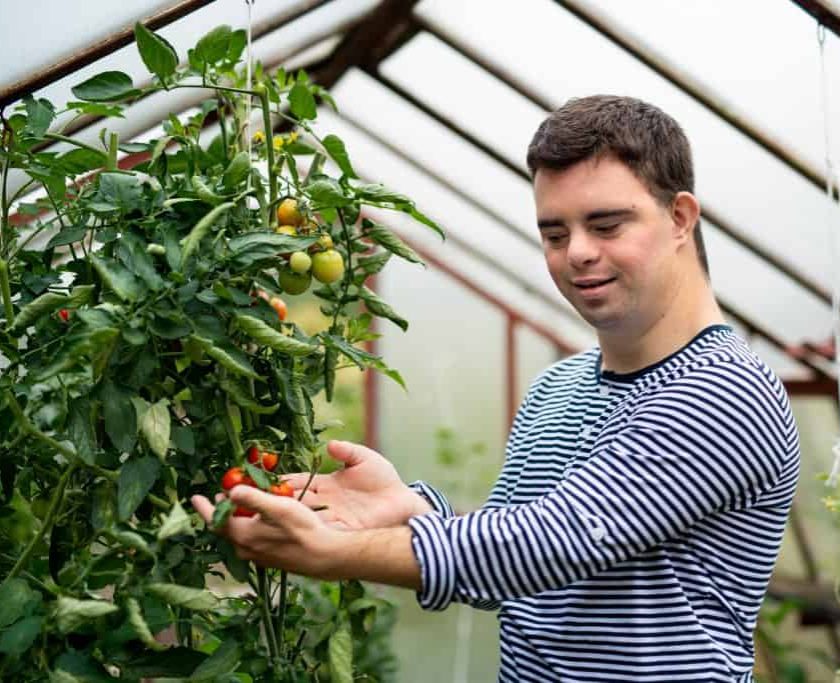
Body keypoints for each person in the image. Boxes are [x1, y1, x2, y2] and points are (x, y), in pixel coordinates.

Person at [193, 95, 800, 682]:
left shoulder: (725, 389)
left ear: (680, 218)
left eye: (606, 224)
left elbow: (555, 541)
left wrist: (335, 553)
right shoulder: (561, 386)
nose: (578, 254)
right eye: (555, 234)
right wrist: (415, 508)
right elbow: (515, 558)